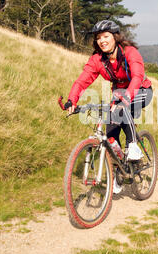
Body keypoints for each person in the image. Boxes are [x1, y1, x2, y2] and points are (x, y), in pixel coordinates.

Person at [64, 20, 153, 192]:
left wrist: (126, 98)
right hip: (119, 92)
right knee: (111, 134)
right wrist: (72, 100)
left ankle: (134, 145)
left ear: (115, 37)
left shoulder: (130, 52)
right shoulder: (97, 59)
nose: (102, 41)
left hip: (141, 90)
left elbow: (136, 76)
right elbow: (83, 80)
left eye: (106, 36)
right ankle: (117, 174)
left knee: (121, 108)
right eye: (98, 38)